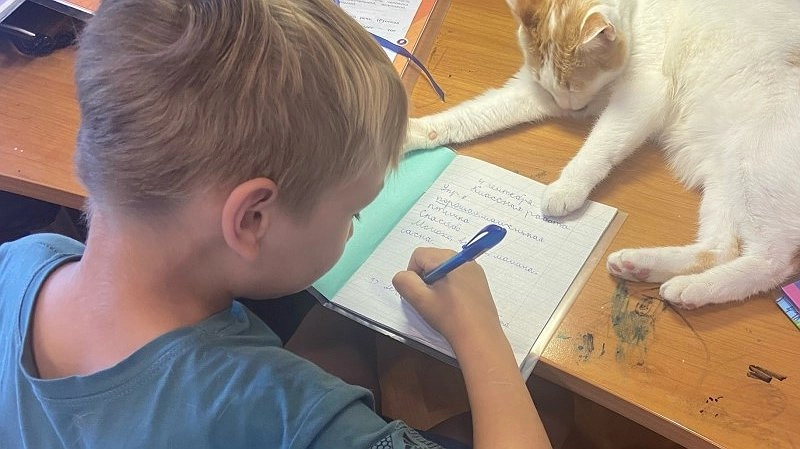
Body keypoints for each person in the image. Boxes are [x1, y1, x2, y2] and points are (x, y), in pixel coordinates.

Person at [0, 0, 553, 447]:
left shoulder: (20, 260)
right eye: (354, 212)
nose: (354, 228)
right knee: (551, 407)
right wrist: (481, 334)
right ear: (252, 219)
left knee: (340, 341)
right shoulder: (294, 415)